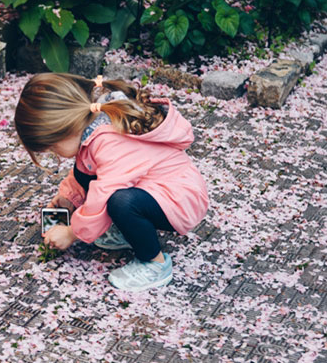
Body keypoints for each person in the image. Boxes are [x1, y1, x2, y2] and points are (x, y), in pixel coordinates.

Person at [13, 73, 209, 292]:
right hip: (159, 191)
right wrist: (69, 198)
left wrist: (72, 233)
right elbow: (83, 171)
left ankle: (155, 264)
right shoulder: (91, 127)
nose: (55, 154)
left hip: (180, 199)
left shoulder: (109, 140)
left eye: (52, 148)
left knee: (121, 202)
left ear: (66, 128)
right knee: (109, 191)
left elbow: (104, 192)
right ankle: (127, 232)